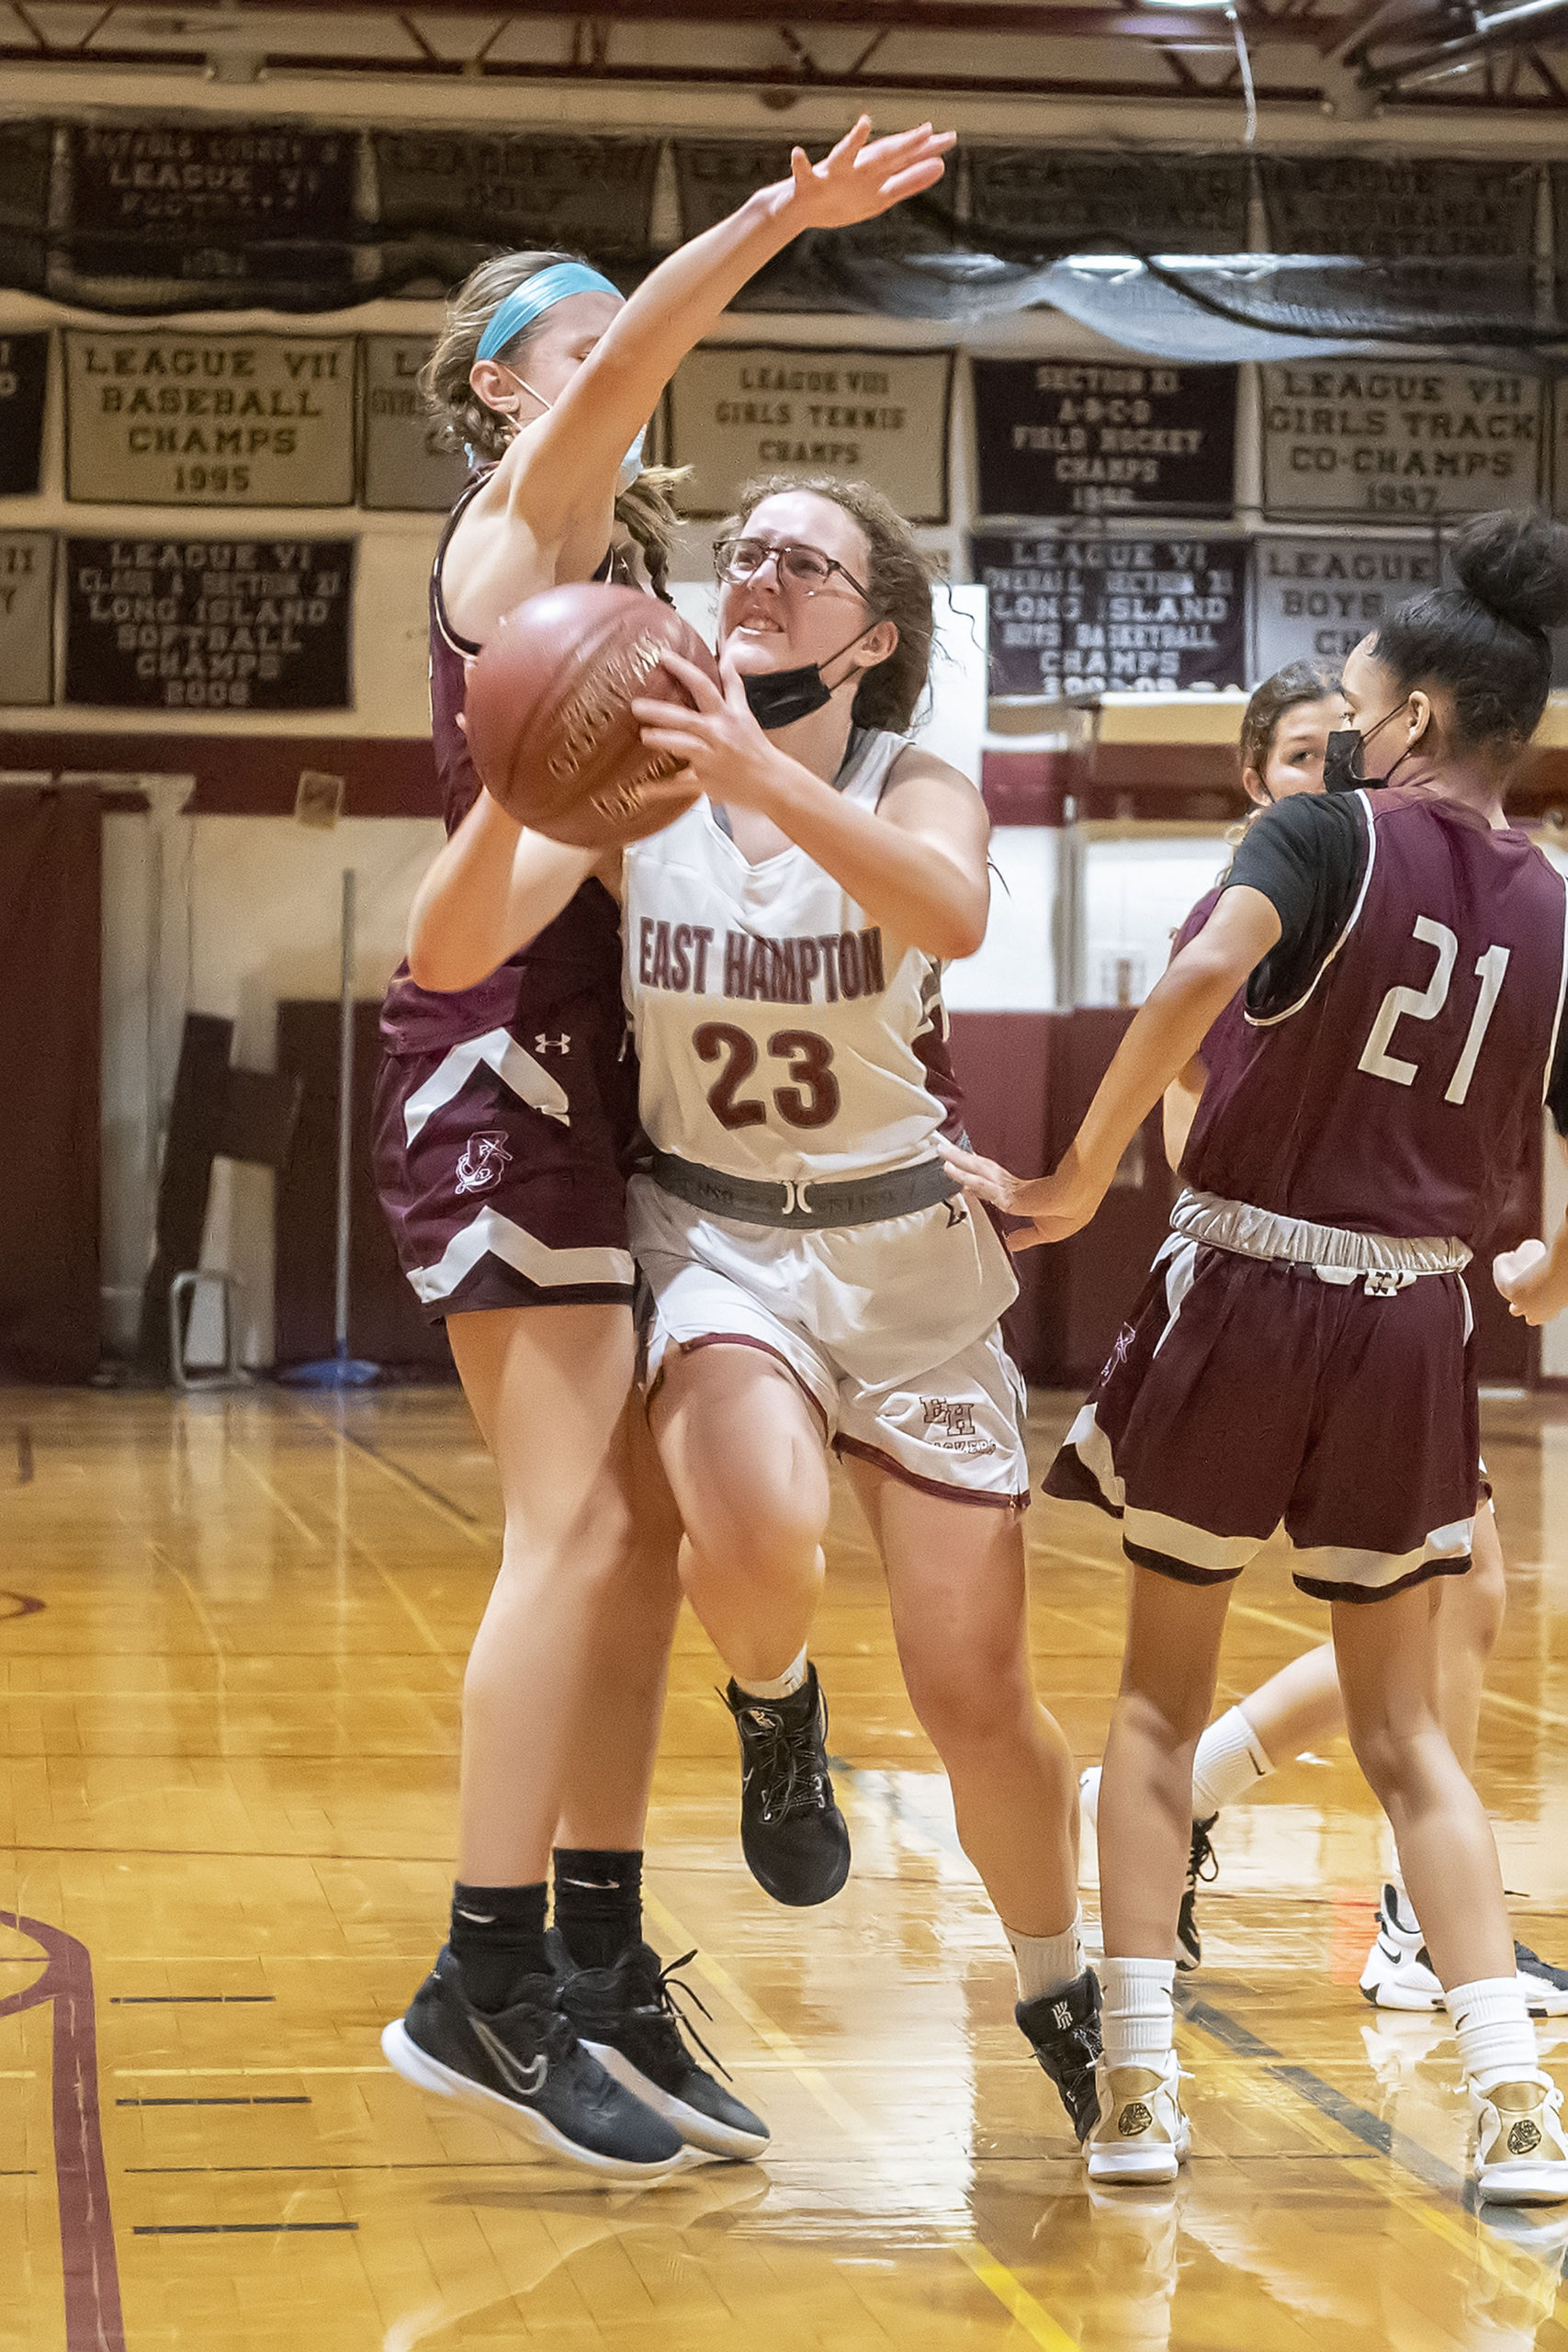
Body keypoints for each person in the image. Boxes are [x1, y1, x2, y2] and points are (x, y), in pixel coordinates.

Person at [374, 117, 955, 2179]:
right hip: (498, 1060)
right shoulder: (515, 534)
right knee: (578, 1536)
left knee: (639, 1551)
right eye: (570, 337)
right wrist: (775, 220)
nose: (613, 353)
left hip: (617, 1065)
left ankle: (602, 1954)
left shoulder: (642, 586)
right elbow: (626, 374)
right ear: (500, 384)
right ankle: (479, 1973)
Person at [944, 509, 1568, 2201]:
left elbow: (1208, 968)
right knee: (1413, 1736)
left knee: (1155, 1704)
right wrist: (1549, 1263)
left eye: (1360, 702)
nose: (1346, 727)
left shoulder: (1320, 828)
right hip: (1417, 1317)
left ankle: (1138, 2090)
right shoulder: (1558, 906)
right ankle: (1516, 2102)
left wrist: (1076, 1171)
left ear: (1419, 722)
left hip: (1253, 1284)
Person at [624, 473, 1100, 2138]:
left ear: (871, 632)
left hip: (903, 1261)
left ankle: (1060, 1982)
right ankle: (777, 1712)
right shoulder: (636, 781)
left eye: (798, 562)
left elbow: (951, 909)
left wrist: (761, 766)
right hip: (717, 1239)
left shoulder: (921, 783)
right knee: (755, 1527)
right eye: (738, 550)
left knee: (975, 1691)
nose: (754, 573)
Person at [1079, 661, 1568, 2018]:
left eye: (1338, 741)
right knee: (1420, 1627)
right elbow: (1199, 1120)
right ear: (1257, 780)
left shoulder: (1444, 889)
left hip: (1385, 1300)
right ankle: (1380, 1907)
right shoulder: (1275, 888)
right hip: (1270, 1298)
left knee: (1459, 1603)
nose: (1330, 768)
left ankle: (1229, 1815)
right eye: (1301, 754)